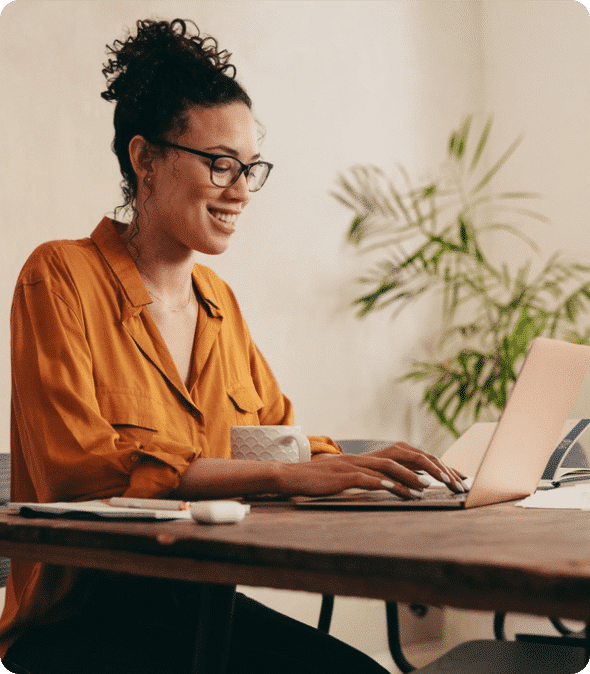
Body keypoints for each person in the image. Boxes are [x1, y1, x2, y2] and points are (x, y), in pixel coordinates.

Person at [0, 18, 466, 674]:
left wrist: (369, 468)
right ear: (145, 159)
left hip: (196, 604)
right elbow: (83, 472)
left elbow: (277, 439)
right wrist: (284, 474)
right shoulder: (57, 276)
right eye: (221, 164)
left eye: (250, 168)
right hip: (80, 623)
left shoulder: (218, 303)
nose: (241, 189)